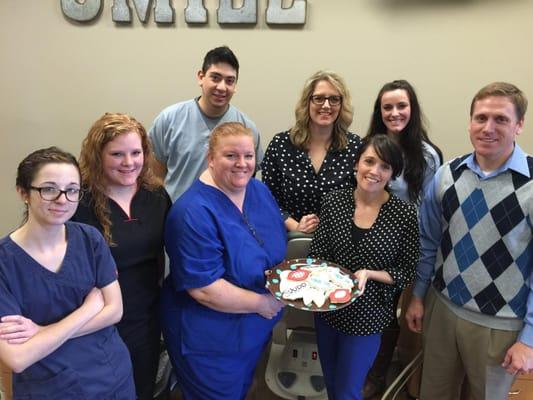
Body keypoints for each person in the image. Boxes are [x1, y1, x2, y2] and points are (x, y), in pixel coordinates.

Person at [405, 82, 533, 400]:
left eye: (501, 119)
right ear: (470, 121)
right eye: (481, 118)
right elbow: (428, 241)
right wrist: (418, 296)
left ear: (519, 125)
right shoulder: (448, 175)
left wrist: (529, 339)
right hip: (442, 310)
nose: (488, 128)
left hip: (501, 326)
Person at [160, 122, 286, 399]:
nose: (242, 164)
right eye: (231, 156)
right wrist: (263, 303)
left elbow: (270, 242)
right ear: (211, 158)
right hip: (210, 341)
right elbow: (204, 288)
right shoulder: (192, 213)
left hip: (251, 330)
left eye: (249, 155)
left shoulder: (258, 191)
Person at [0, 147, 135, 399]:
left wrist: (40, 332)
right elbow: (17, 357)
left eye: (72, 190)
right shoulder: (5, 263)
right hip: (50, 389)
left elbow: (115, 311)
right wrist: (87, 309)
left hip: (113, 379)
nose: (62, 199)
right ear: (23, 192)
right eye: (49, 189)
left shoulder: (89, 238)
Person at [309, 135, 420, 400]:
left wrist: (370, 274)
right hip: (327, 311)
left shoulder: (403, 215)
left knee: (348, 390)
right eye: (369, 161)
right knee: (332, 386)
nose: (374, 171)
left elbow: (407, 269)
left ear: (392, 174)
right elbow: (318, 252)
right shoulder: (334, 201)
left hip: (368, 316)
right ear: (356, 164)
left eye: (384, 166)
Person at [72, 113, 171, 400]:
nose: (129, 163)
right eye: (117, 154)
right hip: (96, 321)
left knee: (141, 389)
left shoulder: (156, 196)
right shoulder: (78, 202)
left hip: (146, 319)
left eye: (136, 152)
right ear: (97, 155)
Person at [363, 79, 442, 398]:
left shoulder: (426, 154)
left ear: (412, 109)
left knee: (399, 317)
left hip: (409, 252)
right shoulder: (368, 146)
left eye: (401, 106)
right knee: (370, 315)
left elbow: (429, 213)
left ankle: (393, 380)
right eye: (387, 107)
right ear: (379, 112)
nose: (394, 113)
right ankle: (368, 372)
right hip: (369, 248)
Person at [149, 45, 262, 202]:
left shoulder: (247, 128)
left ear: (235, 86)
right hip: (175, 216)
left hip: (225, 219)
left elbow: (246, 179)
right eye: (215, 78)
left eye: (230, 81)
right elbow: (155, 176)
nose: (222, 87)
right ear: (201, 77)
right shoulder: (169, 120)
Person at [261, 70, 362, 233]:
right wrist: (296, 227)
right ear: (307, 102)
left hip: (340, 242)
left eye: (334, 99)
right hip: (290, 240)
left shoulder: (356, 147)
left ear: (342, 105)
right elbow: (267, 199)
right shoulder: (280, 144)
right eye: (319, 98)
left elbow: (365, 199)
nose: (327, 105)